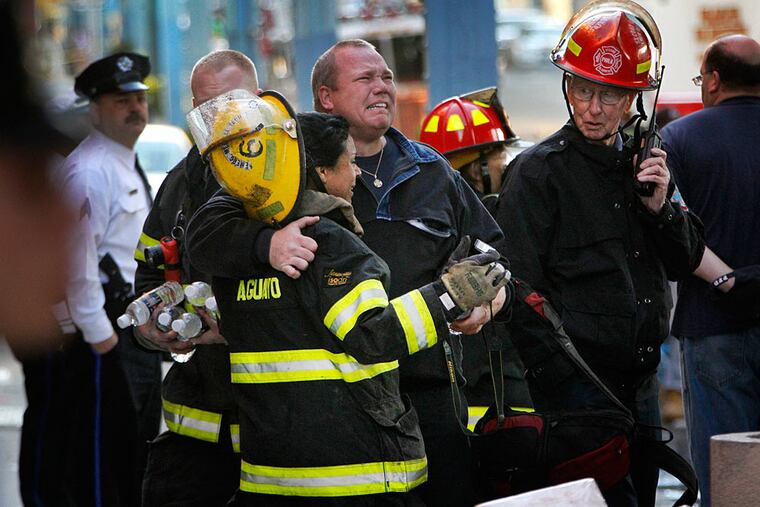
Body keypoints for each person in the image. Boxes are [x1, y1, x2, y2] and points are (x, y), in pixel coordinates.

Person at [187, 39, 506, 506]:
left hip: (431, 393)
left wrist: (490, 300)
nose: (382, 88)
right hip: (346, 414)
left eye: (387, 78)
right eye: (365, 79)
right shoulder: (278, 177)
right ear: (326, 98)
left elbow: (493, 253)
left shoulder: (432, 170)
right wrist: (267, 244)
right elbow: (205, 233)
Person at [493, 3, 705, 506]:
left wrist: (660, 208)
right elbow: (517, 285)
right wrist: (562, 379)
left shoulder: (647, 168)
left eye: (609, 95)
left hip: (641, 386)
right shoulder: (537, 174)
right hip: (576, 396)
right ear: (566, 88)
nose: (593, 108)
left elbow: (687, 258)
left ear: (634, 97)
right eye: (583, 90)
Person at [133, 49, 269, 506]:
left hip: (280, 431)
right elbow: (148, 276)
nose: (220, 119)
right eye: (205, 109)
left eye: (231, 103)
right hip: (197, 430)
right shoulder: (181, 182)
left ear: (262, 99)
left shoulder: (299, 176)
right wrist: (152, 330)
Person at [50, 52, 162, 506]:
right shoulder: (90, 169)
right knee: (103, 462)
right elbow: (76, 260)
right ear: (95, 110)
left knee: (135, 452)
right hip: (108, 336)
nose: (134, 108)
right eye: (121, 100)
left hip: (132, 331)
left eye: (138, 98)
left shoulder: (121, 160)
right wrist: (100, 339)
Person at [661, 34, 760, 507]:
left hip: (714, 329)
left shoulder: (679, 139)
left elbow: (666, 231)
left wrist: (723, 278)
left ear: (715, 79)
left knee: (727, 481)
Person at [419, 88, 534, 428]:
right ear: (474, 168)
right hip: (492, 388)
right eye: (498, 153)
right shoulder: (469, 232)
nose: (506, 161)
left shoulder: (448, 223)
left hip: (492, 384)